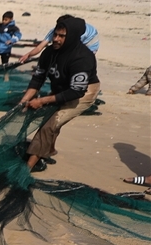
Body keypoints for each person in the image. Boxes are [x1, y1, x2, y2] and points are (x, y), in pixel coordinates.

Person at [17, 16, 99, 172]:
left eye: (61, 36)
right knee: (50, 119)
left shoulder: (82, 58)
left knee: (50, 125)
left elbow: (76, 91)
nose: (55, 39)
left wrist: (42, 101)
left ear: (73, 37)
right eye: (55, 34)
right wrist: (24, 100)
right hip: (61, 86)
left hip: (83, 92)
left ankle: (27, 168)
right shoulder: (49, 52)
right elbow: (38, 79)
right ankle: (49, 150)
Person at [19, 14, 98, 63]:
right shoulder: (56, 30)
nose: (56, 38)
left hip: (91, 42)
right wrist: (28, 55)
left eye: (62, 33)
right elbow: (40, 47)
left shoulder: (80, 33)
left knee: (81, 61)